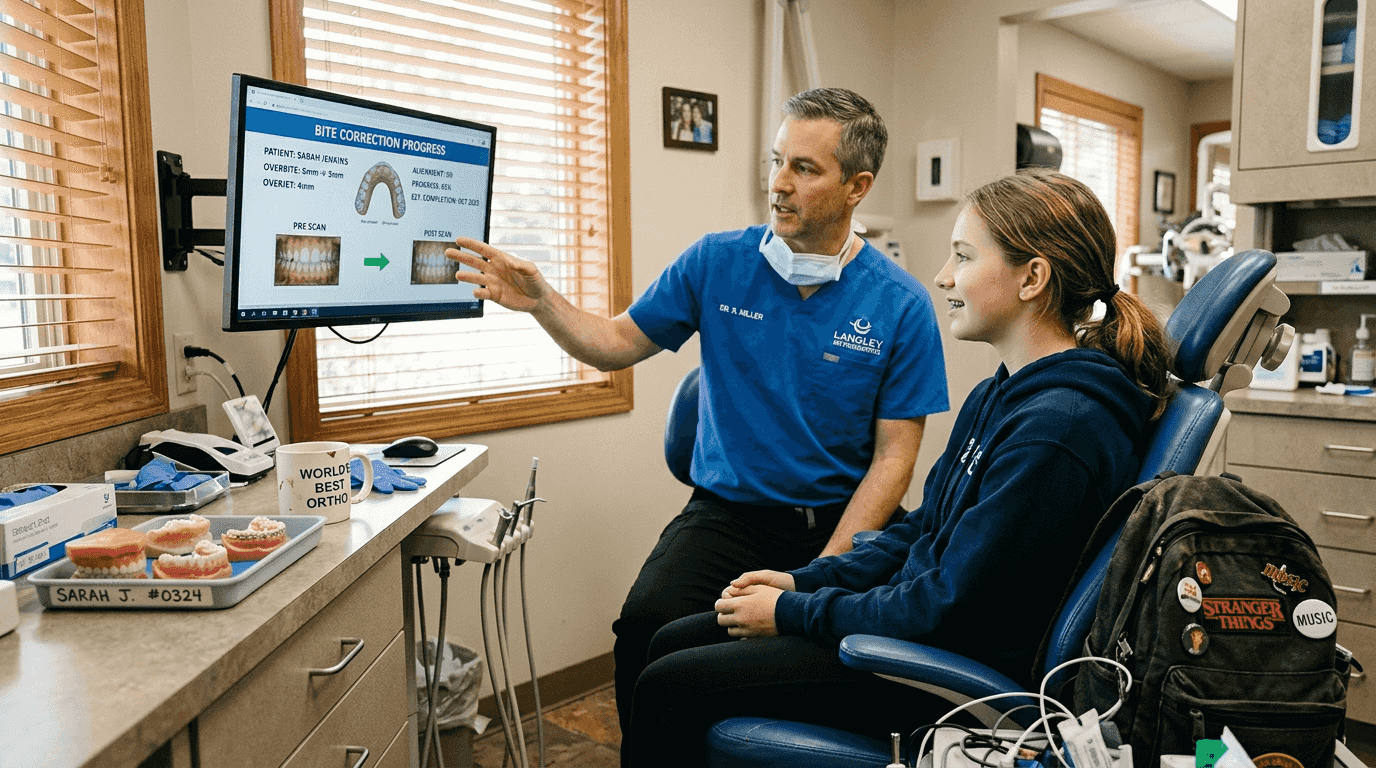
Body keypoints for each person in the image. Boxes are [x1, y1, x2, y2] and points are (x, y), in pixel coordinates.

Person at [446, 87, 949, 760]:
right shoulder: (719, 262)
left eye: (804, 168)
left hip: (841, 523)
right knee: (646, 628)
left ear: (858, 186)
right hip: (727, 514)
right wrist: (541, 302)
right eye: (776, 161)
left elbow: (893, 461)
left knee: (795, 650)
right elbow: (615, 341)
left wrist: (817, 581)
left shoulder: (900, 304)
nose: (778, 183)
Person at [625, 168, 1175, 767]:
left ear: (1032, 278)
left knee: (668, 685)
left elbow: (948, 607)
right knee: (669, 638)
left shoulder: (1059, 429)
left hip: (941, 670)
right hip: (915, 624)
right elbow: (920, 530)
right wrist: (806, 581)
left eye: (963, 257)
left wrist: (794, 612)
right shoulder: (1006, 392)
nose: (943, 276)